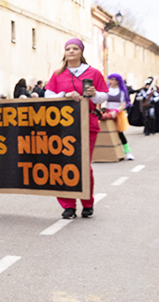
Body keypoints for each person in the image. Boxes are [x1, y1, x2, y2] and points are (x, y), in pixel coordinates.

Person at [44, 38, 108, 219]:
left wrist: (95, 95)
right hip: (62, 126)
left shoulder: (93, 73)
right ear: (64, 53)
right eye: (67, 49)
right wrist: (64, 94)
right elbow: (48, 95)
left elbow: (103, 97)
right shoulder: (57, 74)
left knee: (83, 165)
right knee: (62, 166)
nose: (71, 51)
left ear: (81, 52)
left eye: (75, 49)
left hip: (87, 124)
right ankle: (68, 205)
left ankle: (87, 202)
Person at [104, 73, 134, 161]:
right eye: (110, 79)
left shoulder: (121, 91)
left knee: (120, 133)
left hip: (117, 113)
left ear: (117, 81)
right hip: (107, 113)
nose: (111, 81)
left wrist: (116, 111)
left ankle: (127, 151)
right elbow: (102, 100)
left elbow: (123, 104)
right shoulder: (106, 90)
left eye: (113, 79)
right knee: (105, 133)